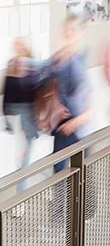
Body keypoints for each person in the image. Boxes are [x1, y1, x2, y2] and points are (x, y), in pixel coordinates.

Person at [48, 15, 92, 172]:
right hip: (63, 125)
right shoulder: (56, 59)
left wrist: (78, 121)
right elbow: (53, 89)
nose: (68, 33)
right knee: (59, 173)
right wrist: (56, 107)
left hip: (79, 129)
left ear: (81, 33)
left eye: (73, 30)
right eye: (66, 29)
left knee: (83, 177)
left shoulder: (80, 59)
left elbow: (90, 101)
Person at [2, 38, 42, 192]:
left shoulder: (32, 67)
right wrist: (6, 119)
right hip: (14, 115)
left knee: (24, 155)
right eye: (15, 46)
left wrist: (36, 119)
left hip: (27, 115)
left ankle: (22, 191)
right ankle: (21, 190)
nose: (16, 49)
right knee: (21, 156)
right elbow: (7, 94)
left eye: (19, 46)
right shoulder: (11, 64)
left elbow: (37, 95)